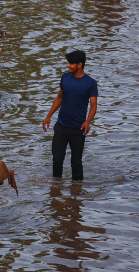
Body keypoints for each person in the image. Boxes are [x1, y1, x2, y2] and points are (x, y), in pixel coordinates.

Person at [42, 50, 98, 180]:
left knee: (76, 163)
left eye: (71, 63)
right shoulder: (65, 78)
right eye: (68, 62)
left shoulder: (90, 83)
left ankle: (77, 193)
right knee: (56, 160)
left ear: (79, 65)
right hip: (61, 127)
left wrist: (87, 122)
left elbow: (94, 105)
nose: (68, 65)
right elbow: (60, 97)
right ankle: (56, 188)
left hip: (78, 129)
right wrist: (48, 116)